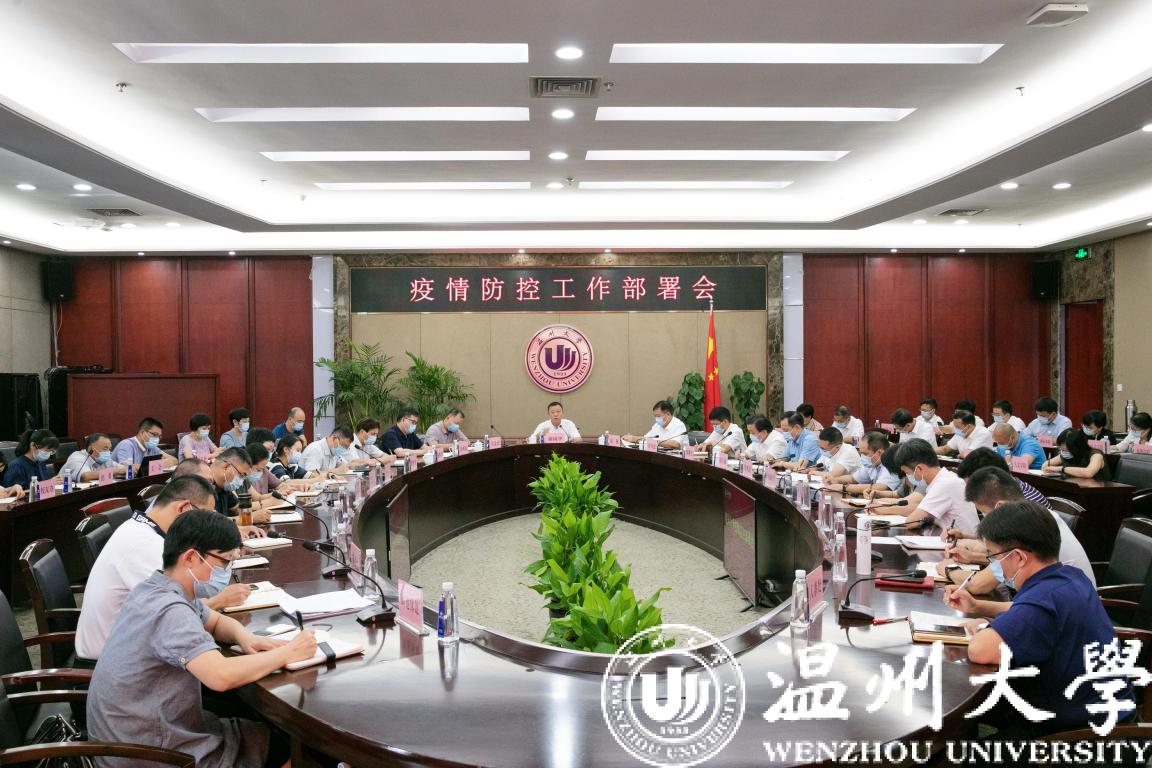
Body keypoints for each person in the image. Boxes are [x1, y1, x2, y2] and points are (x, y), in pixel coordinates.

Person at [86, 509, 315, 768]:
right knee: (298, 748)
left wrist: (244, 636)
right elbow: (220, 676)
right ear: (191, 558)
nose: (227, 571)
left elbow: (214, 621)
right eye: (224, 562)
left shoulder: (157, 587)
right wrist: (288, 652)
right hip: (150, 752)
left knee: (269, 730)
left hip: (132, 735)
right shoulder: (170, 611)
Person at [942, 501, 1131, 738]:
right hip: (1105, 718)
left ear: (1019, 557)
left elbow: (981, 650)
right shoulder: (1069, 577)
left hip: (1080, 738)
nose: (992, 563)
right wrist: (982, 615)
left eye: (993, 556)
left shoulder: (1044, 597)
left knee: (956, 748)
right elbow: (1025, 612)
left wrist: (984, 629)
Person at [75, 476, 258, 661]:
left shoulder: (144, 529)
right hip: (115, 663)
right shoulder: (145, 545)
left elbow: (198, 612)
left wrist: (241, 634)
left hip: (145, 646)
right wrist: (219, 599)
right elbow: (181, 612)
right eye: (204, 516)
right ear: (184, 509)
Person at [939, 466, 1092, 587]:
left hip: (1065, 608)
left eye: (984, 514)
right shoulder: (1034, 514)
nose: (985, 520)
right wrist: (968, 545)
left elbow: (977, 585)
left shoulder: (1025, 527)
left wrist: (948, 569)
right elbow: (1001, 558)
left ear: (1000, 507)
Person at [894, 438, 980, 533]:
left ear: (919, 469)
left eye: (907, 473)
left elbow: (911, 522)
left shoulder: (945, 484)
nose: (908, 476)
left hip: (962, 540)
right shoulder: (945, 478)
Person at [824, 432, 902, 497]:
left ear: (879, 452)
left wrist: (844, 487)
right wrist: (836, 480)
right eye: (861, 453)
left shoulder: (890, 463)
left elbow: (880, 487)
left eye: (865, 454)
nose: (862, 457)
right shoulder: (872, 463)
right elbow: (853, 479)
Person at [208, 447, 269, 522]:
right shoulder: (202, 483)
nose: (240, 482)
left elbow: (236, 508)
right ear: (227, 466)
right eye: (241, 475)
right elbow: (211, 521)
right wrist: (249, 518)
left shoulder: (224, 486)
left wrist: (259, 513)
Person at [1042, 428, 1111, 480]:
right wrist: (1048, 468)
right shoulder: (1066, 455)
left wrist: (1061, 469)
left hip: (1099, 489)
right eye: (1061, 449)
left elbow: (1088, 473)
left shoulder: (1096, 455)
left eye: (1066, 450)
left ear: (1076, 447)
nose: (1064, 452)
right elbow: (1045, 465)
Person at [59, 432, 128, 483]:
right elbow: (86, 476)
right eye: (105, 448)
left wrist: (129, 468)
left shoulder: (105, 459)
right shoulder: (77, 457)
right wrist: (116, 471)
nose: (108, 452)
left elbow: (123, 469)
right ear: (91, 449)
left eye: (109, 449)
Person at [112, 416, 177, 468]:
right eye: (154, 434)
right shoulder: (126, 445)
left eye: (159, 436)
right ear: (142, 432)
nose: (157, 439)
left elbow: (175, 460)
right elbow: (128, 469)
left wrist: (156, 465)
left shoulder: (152, 448)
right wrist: (157, 465)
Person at [624, 400, 689, 450]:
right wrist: (633, 438)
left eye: (658, 416)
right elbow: (647, 438)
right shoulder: (657, 425)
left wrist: (655, 441)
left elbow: (675, 444)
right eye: (655, 416)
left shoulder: (679, 425)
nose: (656, 419)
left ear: (668, 414)